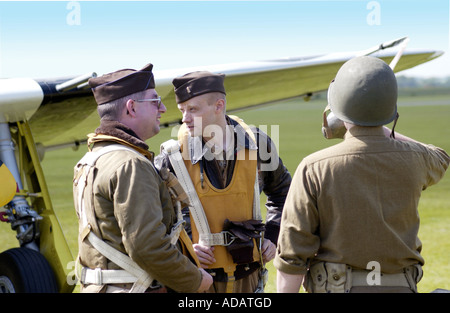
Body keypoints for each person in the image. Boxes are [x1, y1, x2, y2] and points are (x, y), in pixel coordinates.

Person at [275, 56, 450, 293]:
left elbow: (293, 253)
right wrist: (381, 129)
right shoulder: (416, 159)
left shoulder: (313, 167)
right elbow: (441, 157)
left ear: (337, 108)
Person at [73, 63, 212, 293]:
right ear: (131, 108)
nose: (164, 109)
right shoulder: (131, 164)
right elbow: (147, 247)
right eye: (155, 101)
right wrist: (196, 280)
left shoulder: (92, 158)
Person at [155, 71, 292, 293]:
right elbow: (154, 218)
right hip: (197, 279)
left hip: (250, 276)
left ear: (218, 106)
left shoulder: (258, 144)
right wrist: (184, 247)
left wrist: (273, 236)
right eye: (182, 110)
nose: (184, 119)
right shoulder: (172, 157)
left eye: (193, 109)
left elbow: (284, 193)